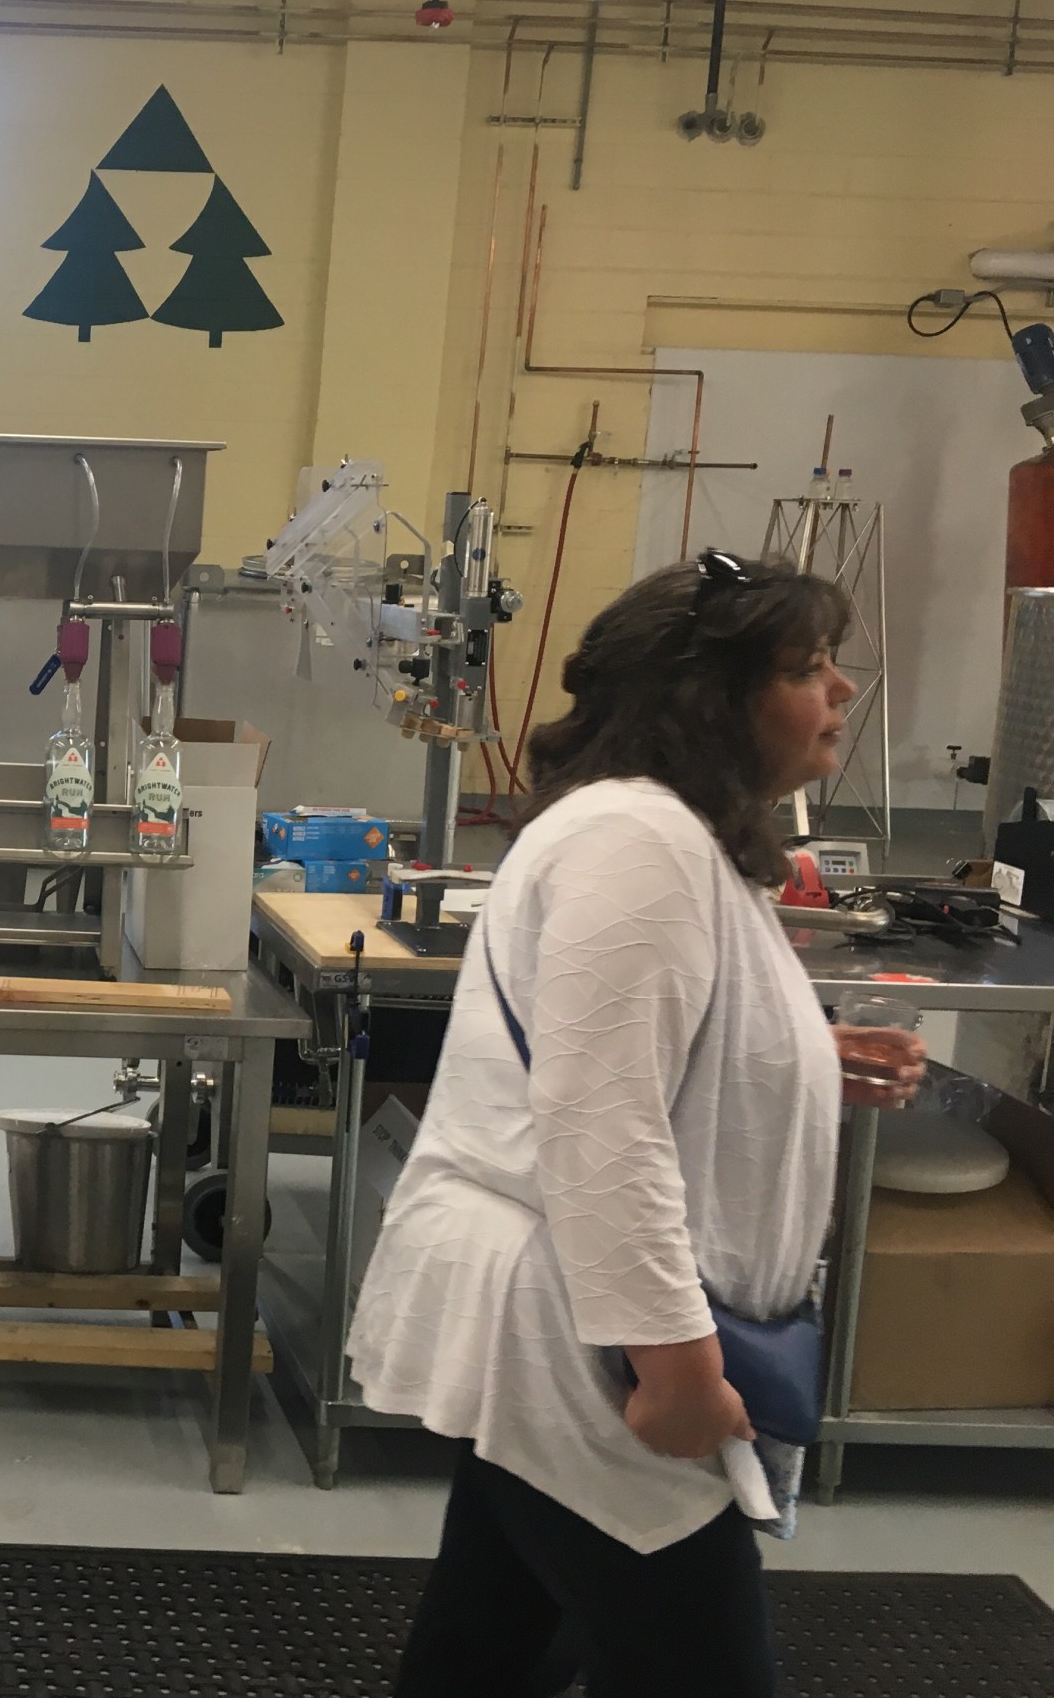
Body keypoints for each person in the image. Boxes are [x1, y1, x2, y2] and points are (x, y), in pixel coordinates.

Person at [348, 550, 928, 1698]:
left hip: (576, 1328)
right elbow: (597, 1119)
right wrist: (674, 1367)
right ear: (711, 699)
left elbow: (652, 1048)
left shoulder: (674, 838)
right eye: (809, 668)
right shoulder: (636, 839)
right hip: (586, 1342)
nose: (842, 692)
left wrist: (801, 1061)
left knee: (492, 1648)